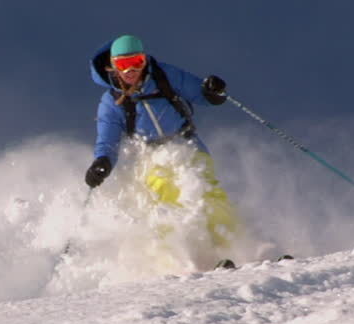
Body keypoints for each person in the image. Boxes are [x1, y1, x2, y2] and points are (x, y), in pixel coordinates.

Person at [85, 34, 240, 269]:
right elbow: (107, 139)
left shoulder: (164, 75)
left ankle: (235, 249)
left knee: (208, 191)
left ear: (145, 60)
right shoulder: (111, 102)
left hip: (186, 144)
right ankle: (183, 260)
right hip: (150, 156)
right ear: (113, 65)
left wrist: (213, 91)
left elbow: (203, 95)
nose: (130, 70)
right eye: (124, 64)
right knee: (165, 196)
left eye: (136, 61)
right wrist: (103, 161)